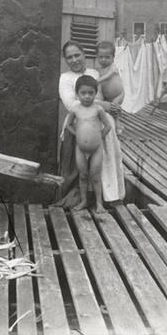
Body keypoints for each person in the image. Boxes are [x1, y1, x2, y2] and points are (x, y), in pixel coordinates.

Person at [55, 41, 125, 210]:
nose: (74, 60)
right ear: (65, 59)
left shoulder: (94, 73)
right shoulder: (65, 78)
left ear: (84, 54)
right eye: (69, 57)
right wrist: (105, 105)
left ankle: (109, 197)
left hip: (101, 126)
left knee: (106, 162)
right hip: (80, 126)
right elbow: (72, 104)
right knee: (82, 170)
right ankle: (83, 198)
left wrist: (115, 104)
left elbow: (107, 92)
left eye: (77, 55)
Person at [60, 76, 113, 214]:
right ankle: (83, 201)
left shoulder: (98, 109)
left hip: (96, 149)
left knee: (95, 176)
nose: (87, 96)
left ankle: (99, 203)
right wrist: (77, 134)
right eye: (83, 93)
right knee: (83, 175)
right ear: (77, 94)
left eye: (91, 93)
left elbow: (108, 126)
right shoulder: (75, 109)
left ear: (96, 93)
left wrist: (99, 136)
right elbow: (68, 125)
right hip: (80, 149)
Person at [96, 41, 125, 134]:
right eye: (101, 57)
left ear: (113, 57)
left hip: (118, 95)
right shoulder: (99, 69)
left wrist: (96, 81)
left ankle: (117, 125)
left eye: (107, 57)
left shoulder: (113, 67)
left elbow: (107, 77)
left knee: (114, 110)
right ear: (97, 57)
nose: (103, 59)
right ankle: (113, 125)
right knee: (111, 111)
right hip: (107, 96)